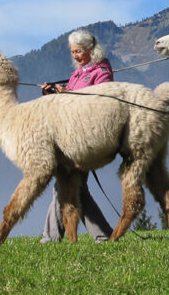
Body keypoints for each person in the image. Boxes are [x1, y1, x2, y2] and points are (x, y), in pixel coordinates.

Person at [39, 29, 114, 243]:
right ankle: (103, 236)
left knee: (66, 185)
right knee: (75, 188)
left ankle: (50, 238)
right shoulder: (78, 73)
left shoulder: (102, 72)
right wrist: (53, 94)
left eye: (79, 51)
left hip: (88, 138)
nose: (75, 56)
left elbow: (102, 102)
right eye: (73, 52)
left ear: (91, 49)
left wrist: (68, 94)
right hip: (72, 137)